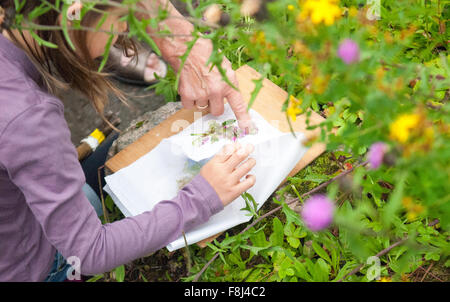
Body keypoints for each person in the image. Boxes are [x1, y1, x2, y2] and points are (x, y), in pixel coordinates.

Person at [0, 0, 256, 281]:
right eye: (123, 17)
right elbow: (90, 251)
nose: (127, 28)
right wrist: (201, 197)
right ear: (75, 10)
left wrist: (181, 41)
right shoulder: (29, 119)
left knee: (96, 188)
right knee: (101, 195)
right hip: (32, 268)